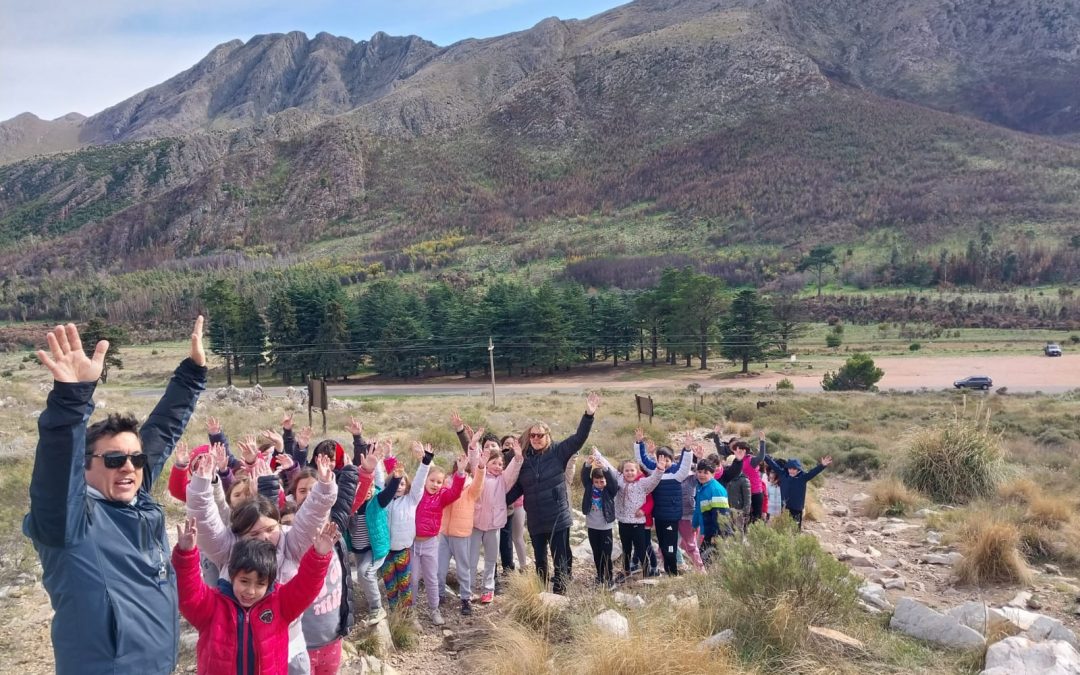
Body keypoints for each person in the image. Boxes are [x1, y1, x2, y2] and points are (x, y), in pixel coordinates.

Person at [23, 318, 207, 675]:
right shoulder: (70, 524)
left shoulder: (135, 498)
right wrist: (70, 402)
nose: (128, 467)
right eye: (113, 459)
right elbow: (55, 478)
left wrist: (193, 374)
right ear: (84, 466)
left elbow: (162, 431)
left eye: (135, 459)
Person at [174, 517, 337, 675]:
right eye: (244, 581)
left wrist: (319, 555)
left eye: (260, 584)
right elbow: (188, 593)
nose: (250, 591)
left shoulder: (280, 603)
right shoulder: (212, 605)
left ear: (270, 583)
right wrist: (186, 555)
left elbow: (306, 586)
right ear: (232, 576)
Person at [505, 392, 600, 594]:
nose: (536, 439)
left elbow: (578, 438)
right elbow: (520, 487)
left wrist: (588, 415)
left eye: (540, 435)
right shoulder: (525, 460)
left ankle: (560, 592)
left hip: (557, 515)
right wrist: (500, 501)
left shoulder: (558, 451)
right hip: (536, 518)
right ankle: (540, 592)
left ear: (548, 436)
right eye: (533, 435)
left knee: (560, 556)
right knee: (540, 558)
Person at [413, 450, 467, 626]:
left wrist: (460, 473)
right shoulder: (417, 494)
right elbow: (406, 484)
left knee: (431, 578)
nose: (435, 485)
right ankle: (411, 611)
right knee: (412, 579)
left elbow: (455, 493)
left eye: (439, 482)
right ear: (425, 480)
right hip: (412, 544)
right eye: (432, 480)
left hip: (430, 543)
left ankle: (434, 609)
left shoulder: (442, 496)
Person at [470, 435, 523, 605]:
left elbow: (513, 472)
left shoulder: (503, 480)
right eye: (494, 463)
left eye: (501, 464)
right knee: (471, 558)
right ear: (486, 463)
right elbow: (474, 464)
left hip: (494, 526)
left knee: (491, 559)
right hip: (476, 524)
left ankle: (488, 590)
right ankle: (468, 589)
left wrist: (518, 457)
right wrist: (473, 446)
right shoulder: (480, 475)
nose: (498, 467)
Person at [635, 430, 694, 575]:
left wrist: (687, 449)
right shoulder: (655, 471)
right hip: (659, 516)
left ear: (672, 460)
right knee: (662, 544)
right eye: (660, 460)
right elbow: (642, 460)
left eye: (667, 460)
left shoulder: (677, 473)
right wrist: (639, 443)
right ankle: (668, 571)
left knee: (670, 547)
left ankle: (673, 572)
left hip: (671, 517)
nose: (663, 463)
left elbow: (685, 465)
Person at [761, 453, 832, 529]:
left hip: (797, 509)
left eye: (794, 469)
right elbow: (772, 464)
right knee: (783, 528)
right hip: (784, 508)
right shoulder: (783, 474)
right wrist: (763, 454)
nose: (791, 471)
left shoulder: (803, 477)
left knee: (795, 530)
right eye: (789, 468)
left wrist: (822, 465)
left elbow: (813, 472)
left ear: (798, 469)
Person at [580, 454, 619, 586]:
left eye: (602, 481)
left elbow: (613, 481)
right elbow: (584, 477)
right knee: (596, 553)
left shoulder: (609, 491)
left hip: (605, 528)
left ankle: (609, 578)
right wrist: (587, 465)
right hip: (592, 527)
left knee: (606, 554)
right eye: (596, 482)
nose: (599, 484)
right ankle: (599, 576)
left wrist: (606, 469)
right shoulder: (589, 488)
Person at [692, 460, 729, 562]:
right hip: (708, 531)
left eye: (705, 472)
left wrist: (717, 535)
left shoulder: (716, 490)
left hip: (717, 533)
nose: (701, 475)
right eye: (699, 472)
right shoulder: (702, 487)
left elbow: (721, 515)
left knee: (708, 561)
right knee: (704, 560)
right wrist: (694, 525)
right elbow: (698, 509)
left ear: (713, 474)